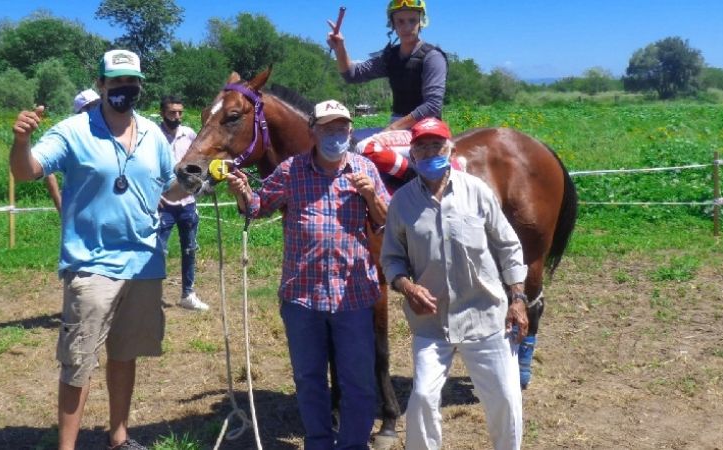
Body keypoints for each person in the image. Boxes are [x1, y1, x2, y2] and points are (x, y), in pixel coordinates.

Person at [10, 49, 186, 450]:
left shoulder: (152, 134)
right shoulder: (73, 130)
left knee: (125, 355)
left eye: (132, 82)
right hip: (91, 266)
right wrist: (21, 142)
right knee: (78, 362)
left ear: (140, 85)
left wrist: (191, 181)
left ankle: (118, 438)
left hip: (143, 262)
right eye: (117, 81)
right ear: (102, 84)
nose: (125, 88)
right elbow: (26, 172)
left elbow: (168, 189)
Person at [225, 100, 390, 450]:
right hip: (303, 297)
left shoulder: (364, 169)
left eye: (342, 128)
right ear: (313, 131)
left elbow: (386, 221)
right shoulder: (291, 170)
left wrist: (372, 195)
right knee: (309, 378)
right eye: (328, 128)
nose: (336, 135)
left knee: (358, 381)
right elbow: (257, 207)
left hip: (354, 296)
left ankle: (353, 445)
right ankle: (318, 442)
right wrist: (243, 193)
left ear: (350, 131)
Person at [380, 117, 528, 450]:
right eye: (422, 147)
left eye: (437, 145)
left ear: (451, 149)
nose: (430, 152)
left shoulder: (477, 192)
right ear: (413, 154)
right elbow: (391, 259)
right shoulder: (402, 203)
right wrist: (407, 287)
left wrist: (517, 298)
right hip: (432, 321)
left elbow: (507, 245)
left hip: (486, 315)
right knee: (422, 398)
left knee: (505, 398)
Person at [327, 0, 447, 131]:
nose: (407, 27)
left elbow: (433, 106)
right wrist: (340, 48)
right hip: (397, 125)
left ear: (421, 22)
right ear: (393, 24)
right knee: (352, 142)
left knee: (366, 147)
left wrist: (392, 129)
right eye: (400, 21)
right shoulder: (390, 57)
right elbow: (352, 75)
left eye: (412, 20)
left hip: (428, 128)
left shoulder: (433, 57)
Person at [156, 95, 209, 311]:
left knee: (189, 248)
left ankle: (188, 294)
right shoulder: (153, 136)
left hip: (187, 203)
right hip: (162, 204)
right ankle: (152, 295)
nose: (176, 117)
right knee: (157, 250)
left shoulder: (189, 134)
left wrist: (201, 185)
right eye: (172, 113)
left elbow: (201, 160)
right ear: (162, 113)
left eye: (180, 112)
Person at [44, 89, 102, 214]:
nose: (97, 109)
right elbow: (47, 171)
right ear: (81, 111)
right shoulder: (71, 135)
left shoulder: (107, 133)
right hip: (81, 215)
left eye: (99, 105)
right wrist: (60, 205)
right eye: (92, 106)